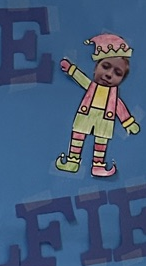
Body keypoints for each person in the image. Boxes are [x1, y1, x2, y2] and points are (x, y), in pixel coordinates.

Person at [56, 34, 140, 177]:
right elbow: (81, 79)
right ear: (95, 68)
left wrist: (128, 122)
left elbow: (120, 108)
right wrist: (71, 69)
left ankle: (98, 166)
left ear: (122, 79)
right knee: (78, 136)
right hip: (86, 114)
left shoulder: (113, 96)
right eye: (105, 67)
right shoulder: (91, 87)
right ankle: (72, 161)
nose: (109, 74)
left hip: (105, 120)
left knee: (101, 142)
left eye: (117, 73)